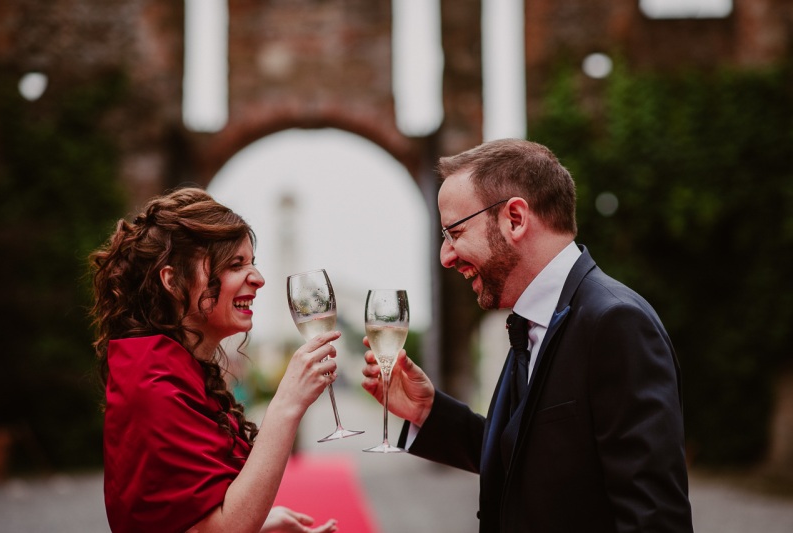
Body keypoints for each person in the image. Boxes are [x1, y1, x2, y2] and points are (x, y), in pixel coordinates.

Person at [361, 139, 694, 532]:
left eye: (455, 232)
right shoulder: (533, 319)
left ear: (515, 219)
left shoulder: (615, 322)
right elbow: (528, 457)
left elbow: (654, 519)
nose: (446, 256)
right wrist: (428, 412)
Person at [90, 187, 339, 533]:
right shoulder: (155, 386)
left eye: (252, 262)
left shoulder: (172, 370)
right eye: (235, 264)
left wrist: (260, 525)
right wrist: (286, 403)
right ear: (173, 281)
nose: (259, 279)